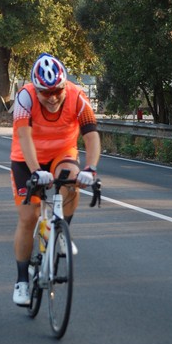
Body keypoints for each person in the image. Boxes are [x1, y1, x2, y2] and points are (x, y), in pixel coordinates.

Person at [10, 53, 101, 306]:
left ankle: (60, 232)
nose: (52, 97)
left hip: (62, 152)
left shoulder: (78, 97)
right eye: (45, 92)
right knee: (29, 217)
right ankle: (21, 281)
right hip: (27, 158)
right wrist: (36, 170)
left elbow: (91, 136)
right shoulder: (24, 98)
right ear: (36, 89)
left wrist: (91, 169)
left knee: (73, 180)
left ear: (64, 85)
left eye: (57, 90)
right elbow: (24, 138)